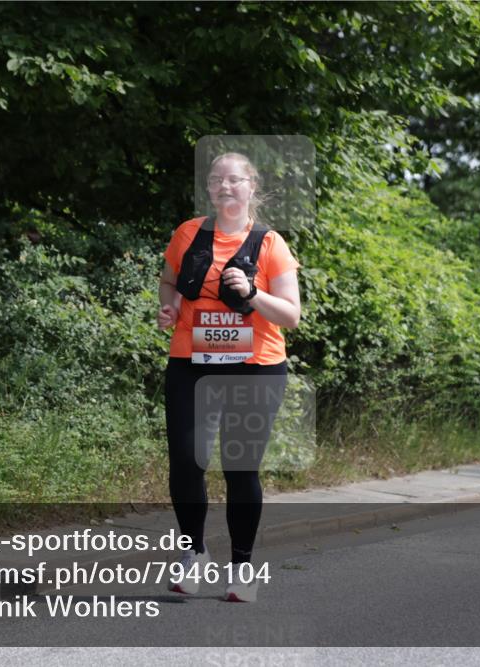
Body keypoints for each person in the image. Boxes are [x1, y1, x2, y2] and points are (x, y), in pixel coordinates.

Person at [158, 152, 301, 603]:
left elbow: (291, 315)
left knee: (239, 468)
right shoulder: (188, 233)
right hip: (191, 362)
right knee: (185, 459)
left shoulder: (269, 244)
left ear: (251, 188)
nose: (225, 186)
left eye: (234, 180)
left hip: (254, 367)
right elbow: (168, 281)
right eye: (217, 178)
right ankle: (194, 553)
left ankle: (242, 567)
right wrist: (170, 306)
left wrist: (254, 293)